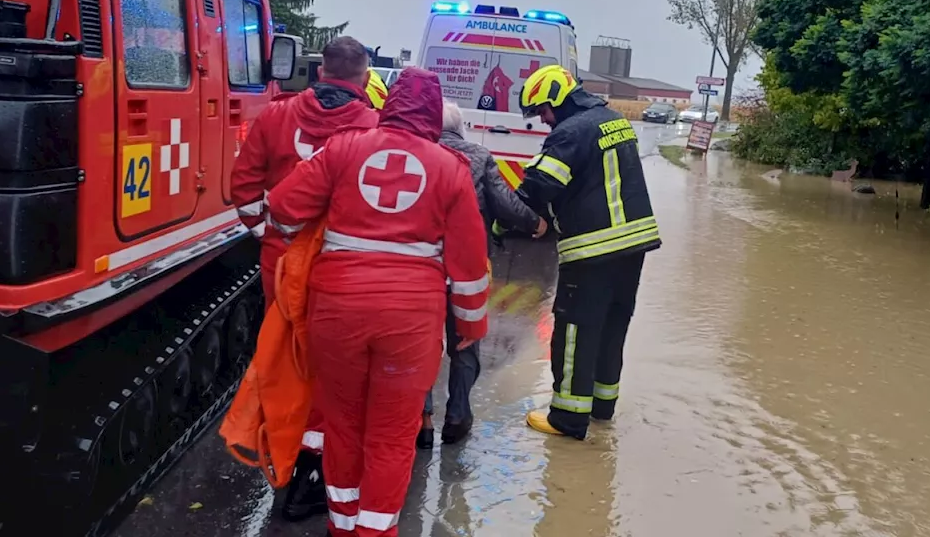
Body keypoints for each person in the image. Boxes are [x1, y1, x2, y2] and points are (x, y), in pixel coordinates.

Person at [265, 67, 492, 537]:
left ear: (388, 104)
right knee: (391, 436)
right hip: (409, 322)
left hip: (337, 310)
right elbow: (469, 265)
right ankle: (376, 530)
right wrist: (471, 327)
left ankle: (342, 526)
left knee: (343, 426)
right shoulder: (451, 168)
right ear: (433, 113)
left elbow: (284, 206)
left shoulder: (344, 147)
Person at [229, 35, 379, 521]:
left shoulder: (275, 114)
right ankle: (312, 469)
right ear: (364, 79)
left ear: (318, 73)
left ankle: (277, 455)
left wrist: (265, 236)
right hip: (336, 267)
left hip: (280, 261)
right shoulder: (371, 127)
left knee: (283, 357)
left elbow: (244, 187)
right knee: (330, 371)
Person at [514, 64, 661, 440]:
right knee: (613, 326)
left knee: (574, 331)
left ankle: (567, 418)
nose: (543, 120)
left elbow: (538, 187)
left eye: (542, 110)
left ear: (558, 100)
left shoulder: (570, 132)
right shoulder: (614, 120)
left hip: (593, 249)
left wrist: (506, 221)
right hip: (634, 244)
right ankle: (601, 408)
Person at [417, 101, 547, 449]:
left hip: (421, 265)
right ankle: (458, 414)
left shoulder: (418, 152)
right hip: (468, 268)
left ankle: (423, 419)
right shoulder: (477, 156)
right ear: (461, 128)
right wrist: (536, 223)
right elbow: (505, 203)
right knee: (466, 339)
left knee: (424, 343)